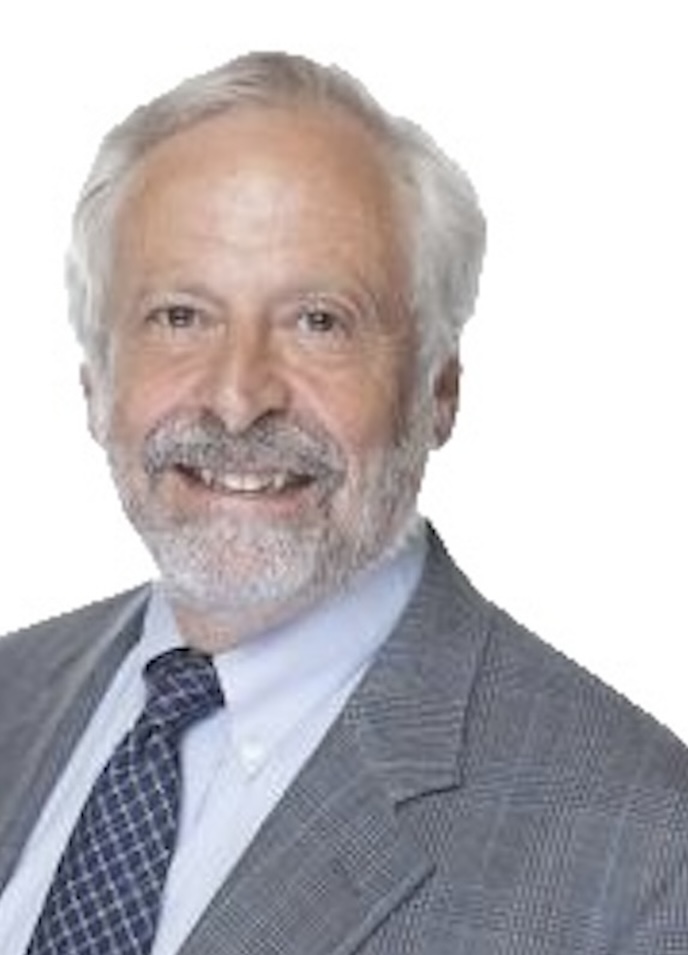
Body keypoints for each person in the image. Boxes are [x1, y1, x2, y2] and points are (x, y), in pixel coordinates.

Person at [0, 50, 686, 955]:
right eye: (180, 316)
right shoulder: (14, 691)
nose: (238, 398)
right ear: (95, 381)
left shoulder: (643, 852)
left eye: (318, 321)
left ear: (438, 389)